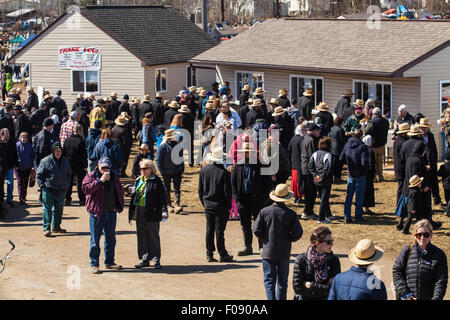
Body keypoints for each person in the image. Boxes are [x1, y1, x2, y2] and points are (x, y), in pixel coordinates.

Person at [253, 184, 303, 300]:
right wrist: (289, 239)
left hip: (268, 251)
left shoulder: (264, 212)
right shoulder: (291, 214)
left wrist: (265, 239)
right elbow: (297, 234)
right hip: (284, 252)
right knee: (282, 281)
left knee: (269, 281)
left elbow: (256, 229)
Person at [82, 157, 124, 274]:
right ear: (98, 166)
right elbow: (85, 189)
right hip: (96, 213)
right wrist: (100, 181)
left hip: (111, 212)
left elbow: (119, 190)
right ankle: (94, 264)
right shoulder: (91, 176)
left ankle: (109, 262)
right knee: (95, 240)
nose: (105, 170)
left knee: (111, 238)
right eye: (103, 167)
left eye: (107, 167)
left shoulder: (114, 177)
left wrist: (118, 204)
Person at [232, 141, 271, 256]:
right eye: (245, 152)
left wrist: (264, 199)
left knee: (260, 225)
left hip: (258, 199)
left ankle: (262, 247)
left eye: (248, 152)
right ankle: (247, 246)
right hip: (243, 199)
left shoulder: (262, 165)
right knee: (245, 224)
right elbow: (234, 183)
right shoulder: (238, 165)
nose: (246, 154)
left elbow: (268, 184)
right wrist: (237, 199)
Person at [393, 219, 448, 300]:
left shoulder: (439, 254)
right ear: (415, 236)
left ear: (431, 235)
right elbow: (397, 272)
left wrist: (436, 298)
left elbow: (441, 280)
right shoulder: (407, 251)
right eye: (419, 235)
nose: (422, 238)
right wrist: (406, 294)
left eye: (426, 235)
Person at [128, 159, 168, 269]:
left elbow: (162, 198)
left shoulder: (157, 181)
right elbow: (134, 194)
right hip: (139, 210)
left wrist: (164, 211)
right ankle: (144, 259)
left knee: (153, 236)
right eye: (141, 169)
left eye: (145, 168)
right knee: (141, 235)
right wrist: (131, 191)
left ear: (151, 169)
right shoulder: (138, 180)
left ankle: (156, 259)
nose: (142, 171)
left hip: (153, 211)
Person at [198, 147, 234, 263]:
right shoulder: (224, 173)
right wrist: (228, 207)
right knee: (219, 231)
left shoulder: (204, 171)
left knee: (209, 229)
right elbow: (227, 193)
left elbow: (200, 190)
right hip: (220, 206)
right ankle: (222, 254)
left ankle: (209, 253)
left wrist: (204, 203)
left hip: (208, 204)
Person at [293, 227, 341, 300]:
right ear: (318, 244)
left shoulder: (334, 261)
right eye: (329, 242)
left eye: (332, 241)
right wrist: (325, 287)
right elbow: (298, 288)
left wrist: (310, 285)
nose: (332, 244)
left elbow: (334, 289)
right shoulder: (301, 260)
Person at [36, 142, 72, 237]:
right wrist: (42, 186)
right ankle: (46, 228)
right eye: (56, 151)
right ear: (53, 151)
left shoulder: (65, 161)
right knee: (47, 210)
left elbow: (69, 174)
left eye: (59, 151)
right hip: (49, 190)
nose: (58, 152)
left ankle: (56, 227)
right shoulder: (45, 160)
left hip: (61, 190)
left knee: (59, 210)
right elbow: (39, 175)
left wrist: (66, 184)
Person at [340, 129, 369, 223]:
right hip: (360, 174)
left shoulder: (347, 145)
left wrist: (349, 164)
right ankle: (358, 216)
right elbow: (364, 162)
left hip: (351, 173)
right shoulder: (363, 147)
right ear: (361, 136)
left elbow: (341, 157)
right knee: (359, 197)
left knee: (349, 196)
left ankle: (346, 216)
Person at [155, 129, 185, 215]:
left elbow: (181, 158)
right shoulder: (162, 147)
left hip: (177, 171)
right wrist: (162, 172)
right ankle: (168, 205)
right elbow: (158, 160)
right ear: (169, 139)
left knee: (177, 189)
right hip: (166, 172)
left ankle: (176, 205)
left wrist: (181, 169)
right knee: (166, 189)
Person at [308, 137, 335, 223]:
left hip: (316, 179)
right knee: (324, 199)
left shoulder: (315, 154)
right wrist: (321, 177)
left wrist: (315, 175)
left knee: (323, 198)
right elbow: (327, 168)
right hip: (325, 180)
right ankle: (321, 218)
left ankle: (328, 214)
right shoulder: (329, 155)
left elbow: (310, 166)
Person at [63, 124, 87, 206]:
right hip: (78, 164)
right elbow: (84, 154)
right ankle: (82, 199)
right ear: (80, 131)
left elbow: (64, 152)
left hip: (68, 163)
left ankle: (68, 199)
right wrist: (84, 165)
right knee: (80, 182)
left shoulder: (67, 140)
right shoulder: (81, 141)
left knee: (68, 182)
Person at [419, 118, 441, 205]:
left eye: (424, 127)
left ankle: (436, 199)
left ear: (427, 128)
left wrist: (434, 162)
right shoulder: (418, 137)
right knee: (425, 182)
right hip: (423, 163)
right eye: (421, 127)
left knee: (434, 182)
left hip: (432, 162)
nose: (423, 129)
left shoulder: (430, 135)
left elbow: (434, 149)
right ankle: (425, 200)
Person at [300, 123, 320, 220]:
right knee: (311, 192)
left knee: (308, 192)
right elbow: (313, 156)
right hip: (309, 170)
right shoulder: (312, 140)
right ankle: (308, 211)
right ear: (314, 130)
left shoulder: (305, 138)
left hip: (305, 168)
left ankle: (308, 211)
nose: (319, 132)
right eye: (318, 130)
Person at [288, 122, 307, 204]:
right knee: (300, 182)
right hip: (300, 164)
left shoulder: (293, 138)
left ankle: (296, 197)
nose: (305, 131)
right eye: (304, 130)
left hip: (293, 163)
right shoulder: (302, 139)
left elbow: (289, 149)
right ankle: (299, 198)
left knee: (294, 182)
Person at [369, 107, 389, 182]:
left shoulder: (371, 121)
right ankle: (380, 176)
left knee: (373, 162)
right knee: (380, 161)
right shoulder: (386, 121)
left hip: (373, 144)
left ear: (374, 114)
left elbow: (367, 131)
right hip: (382, 144)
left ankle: (374, 177)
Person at [393, 123, 410, 208]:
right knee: (401, 188)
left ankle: (399, 206)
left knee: (401, 187)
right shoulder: (402, 142)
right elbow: (403, 157)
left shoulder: (398, 140)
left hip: (398, 167)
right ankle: (399, 206)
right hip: (401, 168)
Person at [15, 132, 34, 205]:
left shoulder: (30, 146)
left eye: (25, 137)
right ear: (20, 138)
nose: (24, 139)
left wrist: (31, 164)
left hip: (27, 168)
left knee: (25, 183)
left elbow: (32, 156)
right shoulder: (17, 145)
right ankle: (21, 197)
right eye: (23, 137)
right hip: (18, 168)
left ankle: (23, 195)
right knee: (20, 182)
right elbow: (14, 155)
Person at [111, 112, 133, 177]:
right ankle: (122, 173)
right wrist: (128, 147)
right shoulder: (123, 130)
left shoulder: (114, 128)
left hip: (115, 146)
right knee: (124, 160)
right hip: (122, 147)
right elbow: (125, 141)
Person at [328, 117, 346, 183]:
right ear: (341, 122)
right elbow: (343, 139)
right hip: (338, 148)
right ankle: (337, 178)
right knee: (339, 165)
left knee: (333, 164)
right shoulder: (340, 129)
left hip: (331, 148)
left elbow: (328, 136)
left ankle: (332, 177)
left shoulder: (331, 128)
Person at [362, 135, 376, 216]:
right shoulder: (370, 151)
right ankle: (366, 208)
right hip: (368, 174)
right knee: (368, 192)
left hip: (362, 173)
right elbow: (371, 164)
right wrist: (373, 173)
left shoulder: (361, 148)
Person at [437, 150, 450, 217]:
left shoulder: (443, 166)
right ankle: (448, 210)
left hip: (445, 185)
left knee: (447, 197)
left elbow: (438, 174)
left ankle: (448, 208)